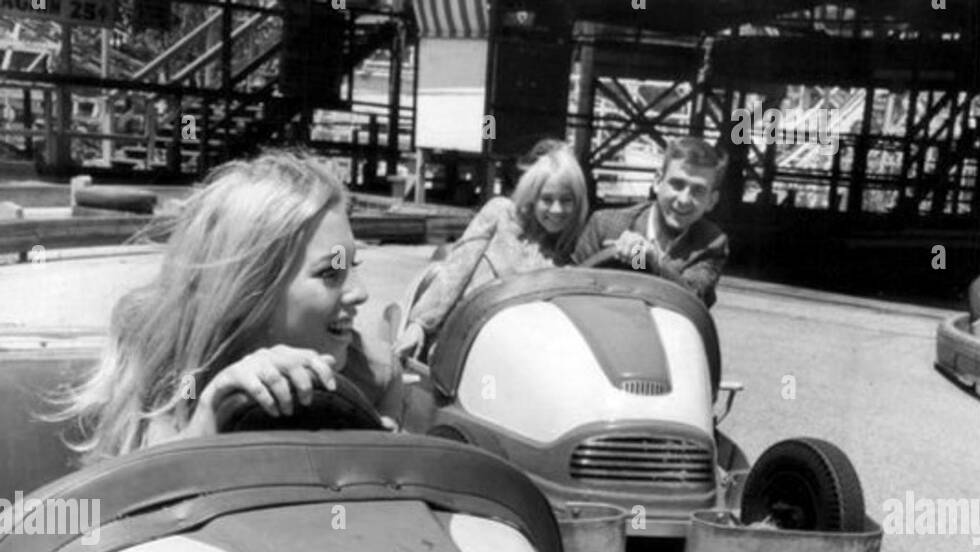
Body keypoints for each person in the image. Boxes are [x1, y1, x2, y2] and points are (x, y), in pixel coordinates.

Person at [58, 150, 399, 460]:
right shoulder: (161, 376)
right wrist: (208, 417)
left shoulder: (376, 375)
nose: (361, 292)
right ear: (251, 290)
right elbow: (127, 507)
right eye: (330, 273)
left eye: (353, 266)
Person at [395, 142, 589, 361]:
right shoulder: (500, 213)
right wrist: (419, 324)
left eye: (566, 200)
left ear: (578, 202)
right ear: (533, 196)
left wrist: (636, 252)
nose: (556, 209)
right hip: (460, 343)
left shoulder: (574, 250)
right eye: (547, 199)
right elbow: (455, 271)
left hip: (519, 357)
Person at [573, 136, 729, 308]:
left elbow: (693, 300)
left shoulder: (712, 243)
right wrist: (637, 257)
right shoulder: (604, 225)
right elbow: (569, 285)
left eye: (698, 190)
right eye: (677, 184)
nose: (684, 199)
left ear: (712, 201)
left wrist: (654, 261)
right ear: (657, 182)